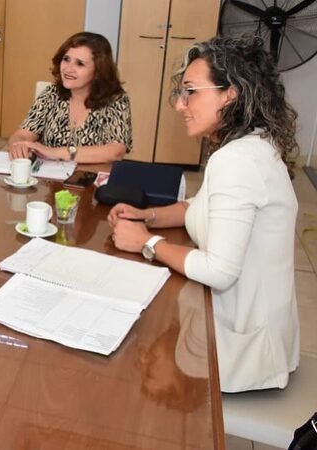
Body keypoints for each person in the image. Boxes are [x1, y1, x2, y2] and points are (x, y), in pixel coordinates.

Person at [108, 36, 299, 392]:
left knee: (126, 349)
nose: (181, 105)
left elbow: (220, 271)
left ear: (230, 94)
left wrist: (147, 242)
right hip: (258, 334)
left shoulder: (237, 160)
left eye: (191, 92)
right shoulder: (249, 144)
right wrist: (147, 215)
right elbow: (201, 207)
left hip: (242, 352)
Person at [8, 32, 132, 164]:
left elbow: (116, 151)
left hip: (88, 179)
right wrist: (18, 145)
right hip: (49, 179)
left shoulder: (116, 100)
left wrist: (55, 152)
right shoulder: (51, 94)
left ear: (98, 71)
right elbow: (23, 134)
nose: (68, 69)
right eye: (66, 59)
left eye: (80, 64)